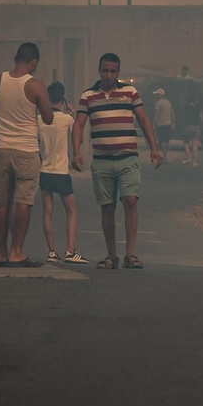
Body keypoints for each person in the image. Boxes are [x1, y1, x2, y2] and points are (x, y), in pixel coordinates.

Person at [73, 53, 164, 270]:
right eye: (105, 70)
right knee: (107, 207)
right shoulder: (88, 96)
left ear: (118, 73)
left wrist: (153, 148)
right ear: (99, 70)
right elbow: (78, 124)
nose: (108, 75)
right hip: (102, 160)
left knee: (130, 201)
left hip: (127, 158)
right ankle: (111, 255)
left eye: (113, 71)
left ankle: (130, 255)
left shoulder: (130, 93)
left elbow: (143, 119)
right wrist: (76, 152)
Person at [0, 41, 55, 267]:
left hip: (1, 148)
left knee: (1, 203)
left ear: (16, 58)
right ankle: (17, 251)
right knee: (23, 202)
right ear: (33, 62)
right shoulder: (35, 85)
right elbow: (48, 118)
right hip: (26, 150)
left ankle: (2, 253)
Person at [38, 81, 86, 264]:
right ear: (63, 99)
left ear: (47, 98)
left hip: (45, 171)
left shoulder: (39, 119)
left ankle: (51, 252)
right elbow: (79, 140)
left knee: (47, 212)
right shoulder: (67, 120)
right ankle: (70, 251)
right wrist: (72, 115)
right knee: (71, 211)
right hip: (61, 172)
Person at [180, 92, 203, 165]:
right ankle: (194, 162)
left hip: (187, 126)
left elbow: (183, 116)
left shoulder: (185, 107)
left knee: (186, 142)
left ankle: (188, 158)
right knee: (195, 144)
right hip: (196, 127)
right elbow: (201, 118)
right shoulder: (198, 107)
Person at [152, 88, 174, 157]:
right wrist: (173, 123)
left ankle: (165, 156)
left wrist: (153, 124)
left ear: (159, 95)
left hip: (161, 124)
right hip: (168, 123)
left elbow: (156, 115)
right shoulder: (168, 102)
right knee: (167, 141)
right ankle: (165, 155)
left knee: (162, 140)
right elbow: (172, 113)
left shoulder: (158, 103)